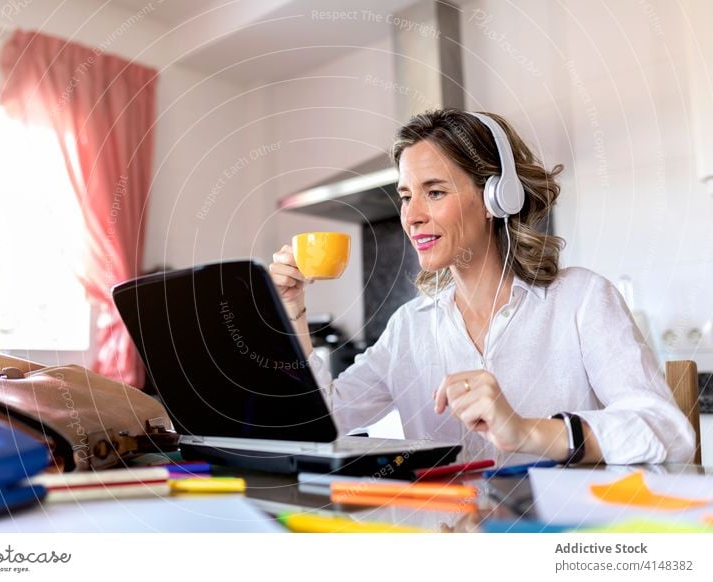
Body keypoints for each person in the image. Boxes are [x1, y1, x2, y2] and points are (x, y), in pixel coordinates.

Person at [269, 108, 695, 465]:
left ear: (497, 198)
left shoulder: (581, 301)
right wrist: (292, 313)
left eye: (434, 192)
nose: (411, 216)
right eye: (405, 195)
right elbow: (323, 420)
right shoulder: (409, 328)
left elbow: (669, 432)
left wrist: (527, 431)